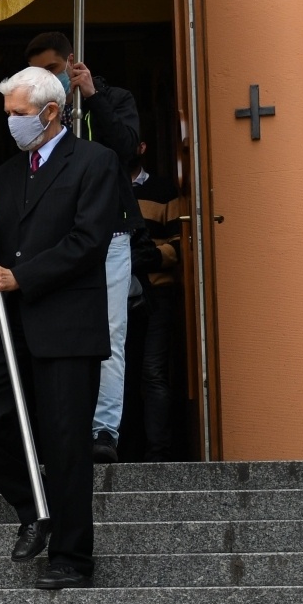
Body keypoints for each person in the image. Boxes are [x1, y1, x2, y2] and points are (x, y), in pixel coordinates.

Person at [0, 67, 118, 590]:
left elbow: (88, 241)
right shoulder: (5, 174)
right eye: (7, 115)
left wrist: (20, 276)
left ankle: (72, 558)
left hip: (65, 321)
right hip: (8, 320)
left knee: (66, 440)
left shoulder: (96, 161)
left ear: (51, 112)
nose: (11, 124)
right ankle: (35, 506)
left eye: (19, 115)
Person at [26, 32, 142, 463]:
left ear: (71, 61)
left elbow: (126, 150)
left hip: (110, 233)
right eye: (39, 71)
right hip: (57, 239)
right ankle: (60, 429)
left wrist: (92, 97)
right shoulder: (34, 109)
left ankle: (103, 432)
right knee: (57, 334)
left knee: (110, 334)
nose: (47, 78)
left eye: (53, 68)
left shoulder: (113, 98)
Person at [130, 143, 186, 461]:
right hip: (114, 294)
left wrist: (148, 256)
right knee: (117, 371)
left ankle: (158, 455)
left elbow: (180, 247)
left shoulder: (164, 189)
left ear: (141, 147)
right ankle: (124, 450)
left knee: (152, 372)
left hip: (156, 292)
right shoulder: (105, 185)